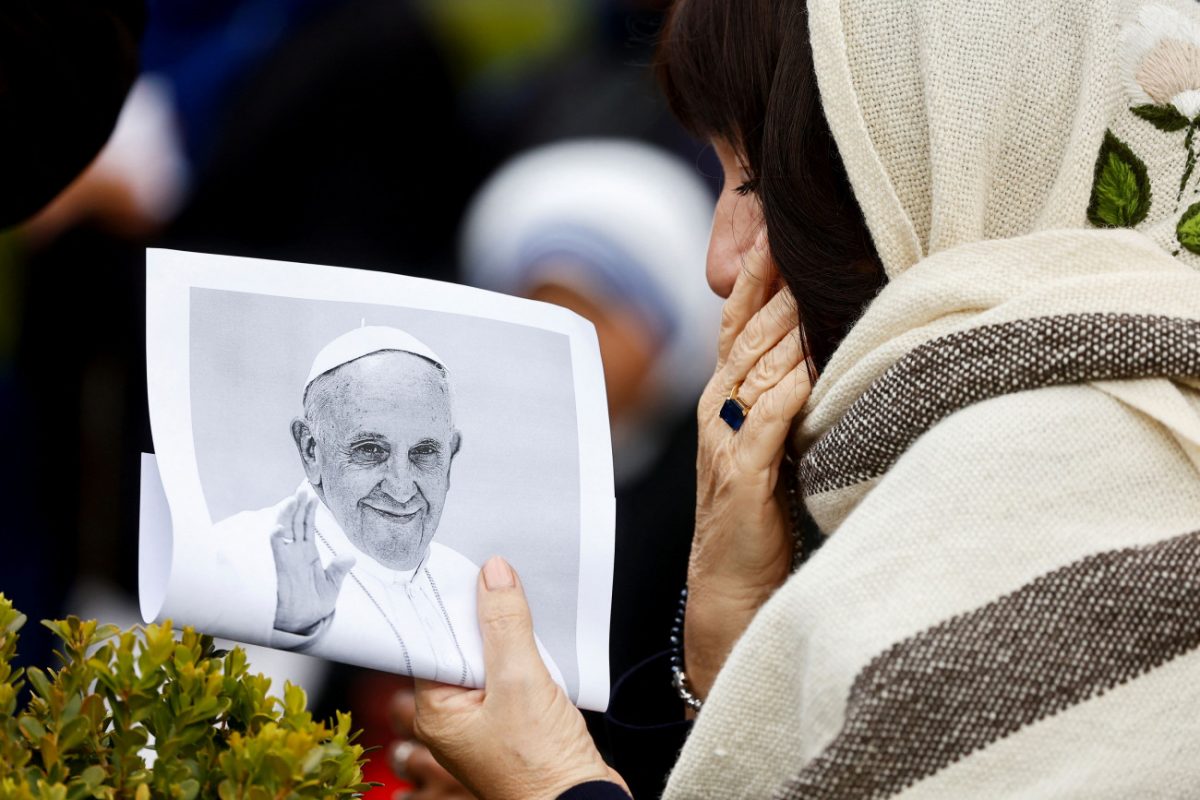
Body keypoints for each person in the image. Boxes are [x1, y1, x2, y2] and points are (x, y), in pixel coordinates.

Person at [403, 0, 1200, 797]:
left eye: (755, 178)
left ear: (940, 152)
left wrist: (552, 783)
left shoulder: (1031, 503)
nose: (721, 260)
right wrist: (728, 644)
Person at [211, 325, 563, 688]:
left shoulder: (471, 587)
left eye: (424, 453)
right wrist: (293, 632)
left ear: (451, 457)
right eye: (370, 450)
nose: (400, 487)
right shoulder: (232, 554)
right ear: (311, 449)